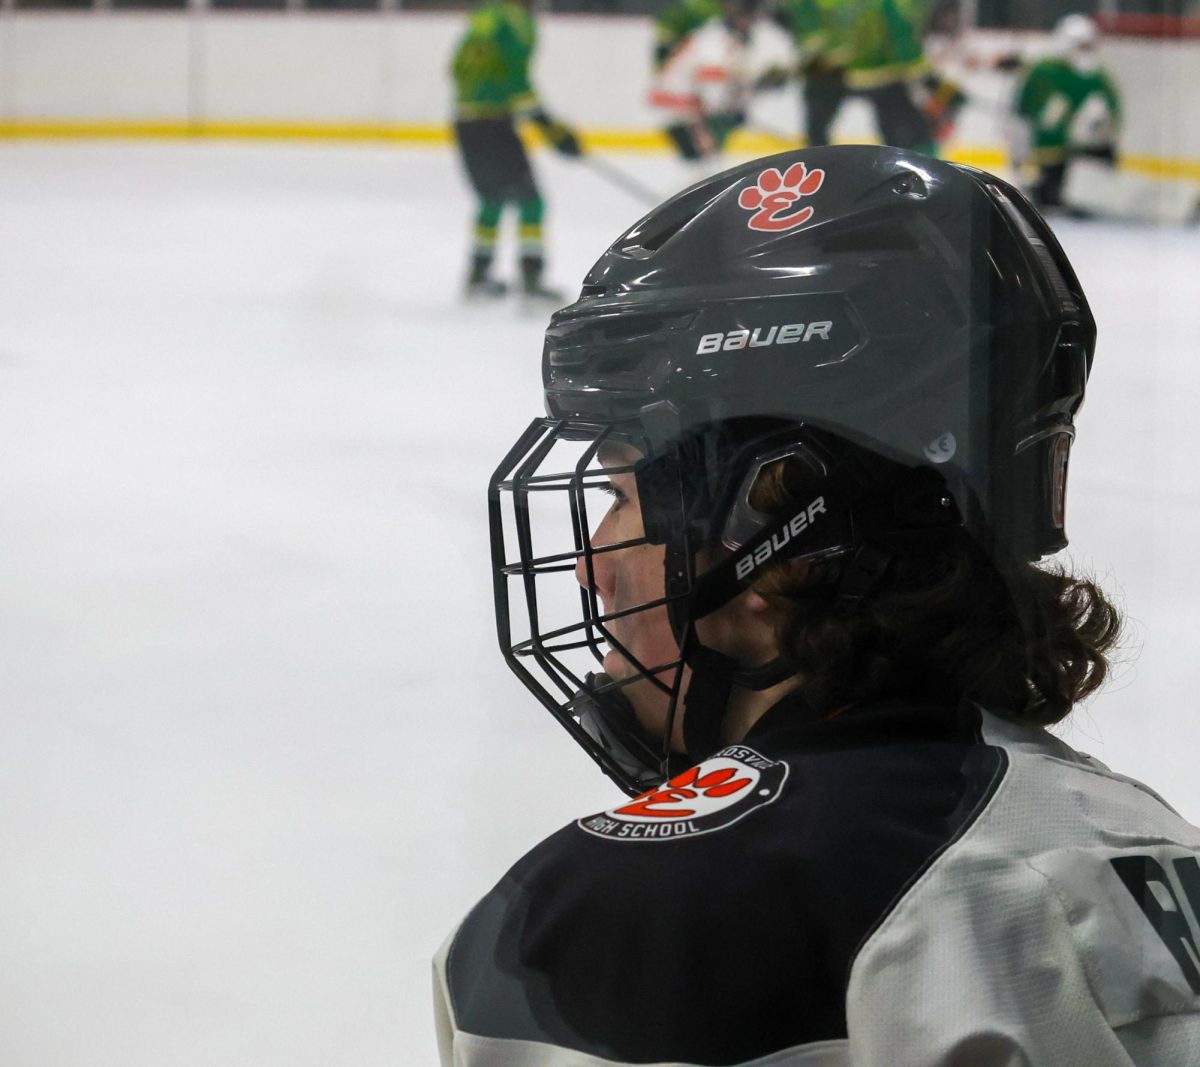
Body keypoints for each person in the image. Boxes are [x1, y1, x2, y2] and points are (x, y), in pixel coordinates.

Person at [434, 145, 1200, 1063]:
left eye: (621, 497)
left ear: (777, 526)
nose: (595, 565)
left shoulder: (606, 928)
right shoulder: (1152, 849)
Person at [450, 0, 582, 302]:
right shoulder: (518, 23)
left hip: (465, 121)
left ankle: (477, 274)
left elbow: (456, 68)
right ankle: (531, 277)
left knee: (491, 199)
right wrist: (548, 126)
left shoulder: (482, 16)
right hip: (495, 123)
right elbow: (516, 80)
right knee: (531, 202)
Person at [776, 0, 939, 154]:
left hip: (854, 69)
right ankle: (915, 162)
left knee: (818, 128)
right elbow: (904, 43)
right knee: (905, 132)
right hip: (869, 72)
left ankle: (816, 162)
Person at [649, 0, 789, 165]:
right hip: (681, 109)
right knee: (705, 164)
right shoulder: (713, 40)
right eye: (743, 13)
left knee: (712, 162)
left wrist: (762, 83)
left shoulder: (737, 36)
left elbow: (735, 79)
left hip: (699, 107)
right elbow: (712, 90)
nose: (747, 19)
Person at [1013, 14, 1121, 211]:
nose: (1086, 52)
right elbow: (1022, 107)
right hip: (1039, 145)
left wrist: (1103, 131)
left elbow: (1112, 107)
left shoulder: (1096, 76)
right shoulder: (1044, 69)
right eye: (1082, 45)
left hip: (1075, 147)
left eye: (1089, 46)